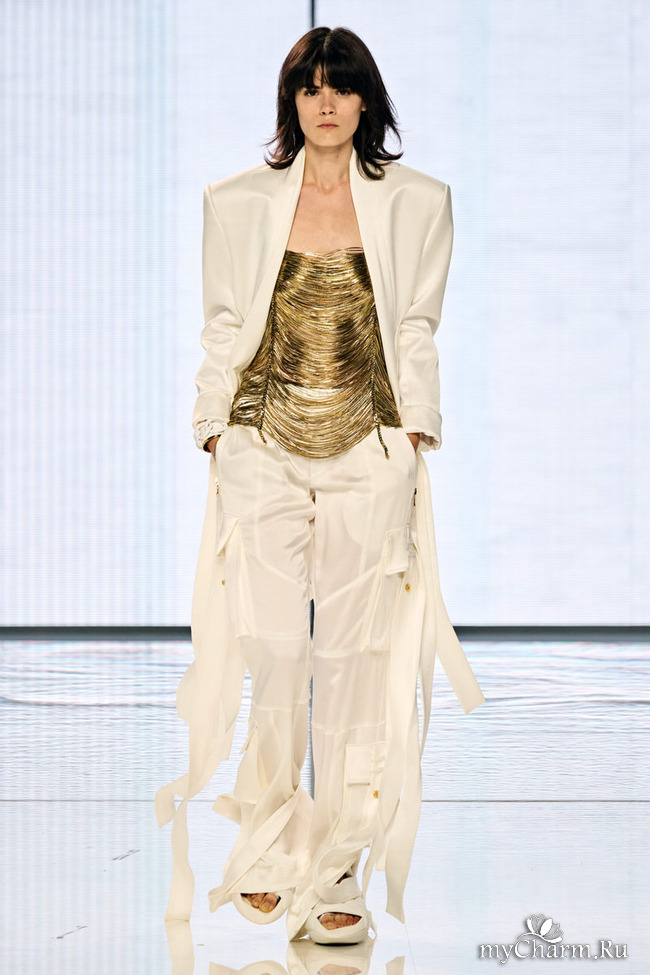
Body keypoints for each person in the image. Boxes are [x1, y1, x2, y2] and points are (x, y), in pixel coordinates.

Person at [155, 26, 486, 947]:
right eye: (311, 88)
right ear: (292, 102)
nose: (327, 102)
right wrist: (213, 425)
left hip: (369, 445)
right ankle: (267, 835)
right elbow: (225, 322)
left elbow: (416, 325)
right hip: (261, 436)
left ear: (367, 99)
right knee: (273, 645)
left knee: (351, 657)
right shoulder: (235, 201)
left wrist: (415, 428)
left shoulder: (421, 201)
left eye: (342, 87)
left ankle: (338, 861)